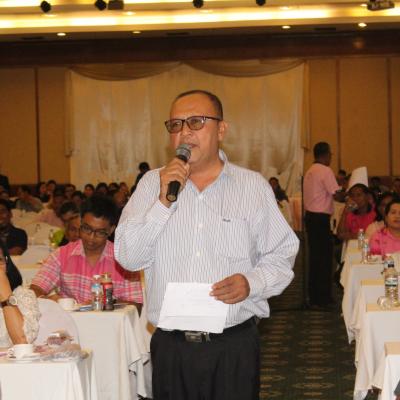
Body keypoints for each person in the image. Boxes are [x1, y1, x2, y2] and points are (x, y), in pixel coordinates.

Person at [115, 89, 299, 400]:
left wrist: (251, 282)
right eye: (176, 125)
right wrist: (163, 202)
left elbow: (282, 253)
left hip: (233, 347)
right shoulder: (150, 186)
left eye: (196, 122)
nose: (185, 132)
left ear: (221, 129)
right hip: (172, 349)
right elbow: (128, 257)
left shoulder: (251, 187)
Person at [30, 195, 143, 306]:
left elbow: (137, 305)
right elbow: (35, 289)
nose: (91, 237)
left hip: (109, 318)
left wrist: (106, 302)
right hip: (69, 318)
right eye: (86, 228)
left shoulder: (124, 261)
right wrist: (47, 300)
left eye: (100, 232)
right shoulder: (61, 255)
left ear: (111, 230)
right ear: (81, 222)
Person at [303, 142, 344, 309]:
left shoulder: (310, 171)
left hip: (311, 217)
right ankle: (323, 298)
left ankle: (314, 296)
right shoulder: (325, 171)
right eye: (330, 155)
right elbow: (338, 195)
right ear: (326, 154)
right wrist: (345, 189)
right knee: (325, 258)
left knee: (315, 258)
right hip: (320, 219)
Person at [0, 241, 40, 346]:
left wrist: (5, 295)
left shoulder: (23, 296)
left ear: (6, 263)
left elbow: (22, 342)